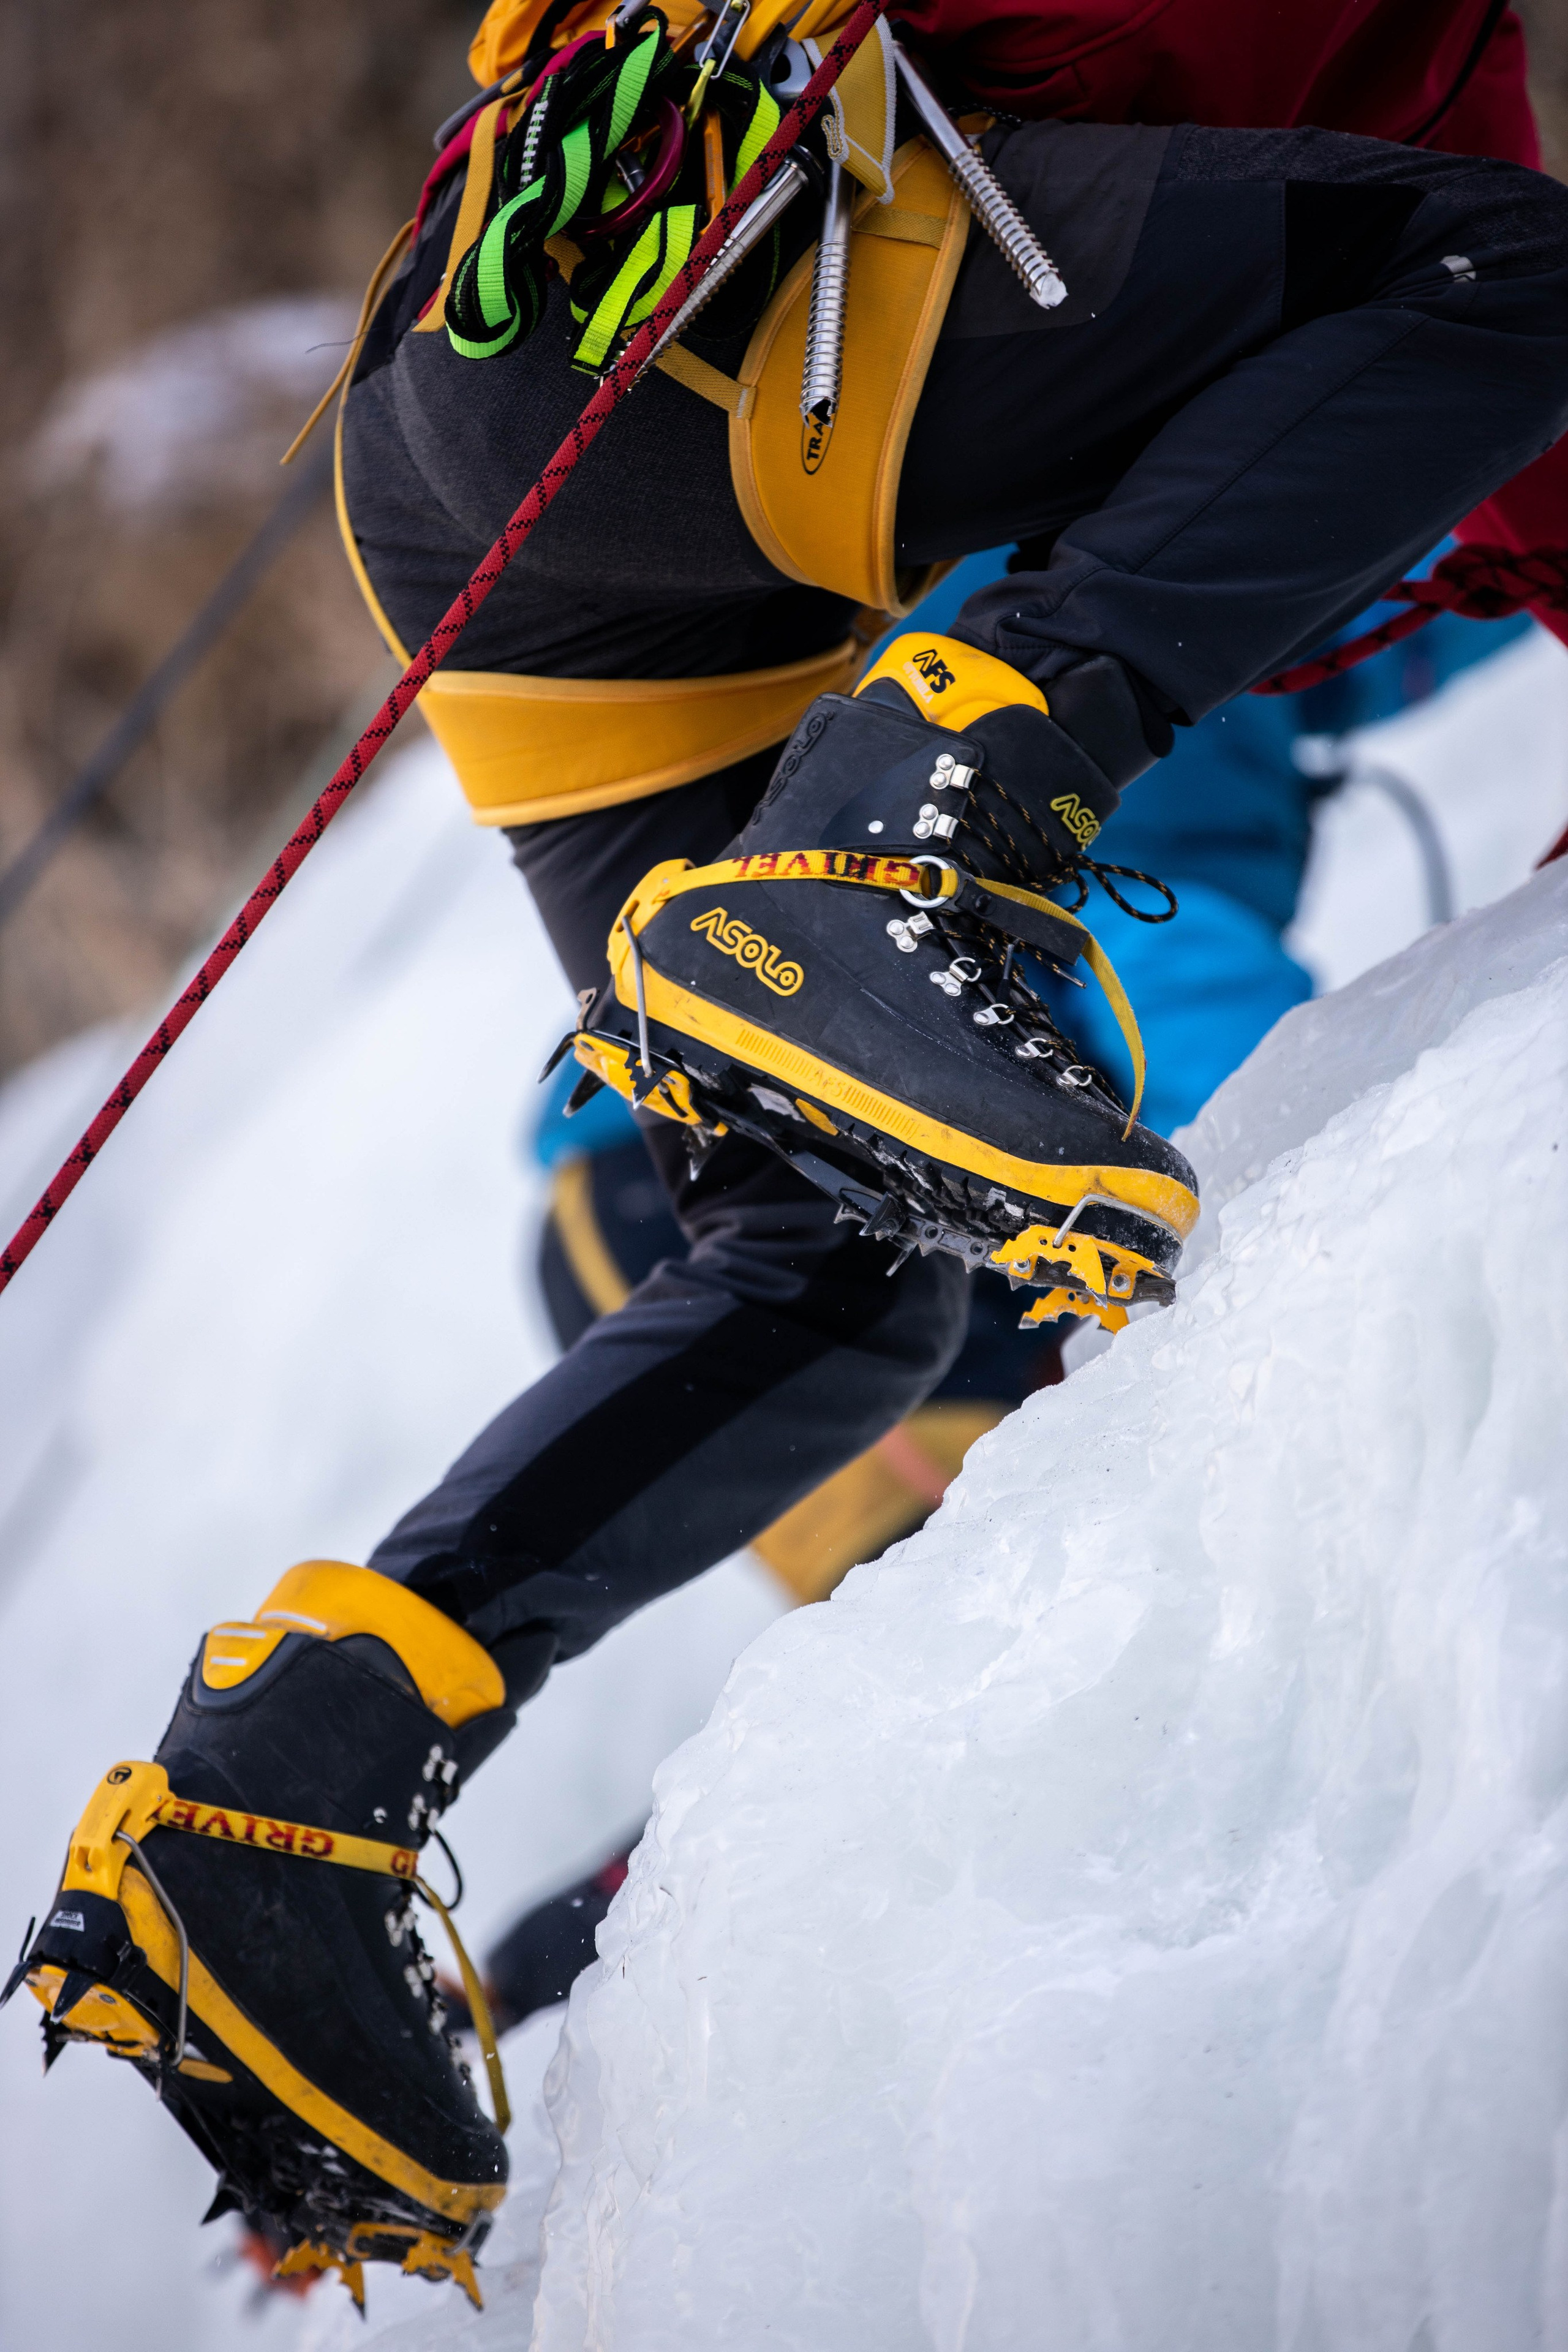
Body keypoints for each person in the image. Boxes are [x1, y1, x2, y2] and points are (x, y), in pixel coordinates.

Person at [10, 0, 1567, 2308]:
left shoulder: (1420, 83)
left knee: (846, 1271)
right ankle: (923, 832)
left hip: (544, 438)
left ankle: (294, 1776)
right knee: (1516, 274)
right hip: (738, 316)